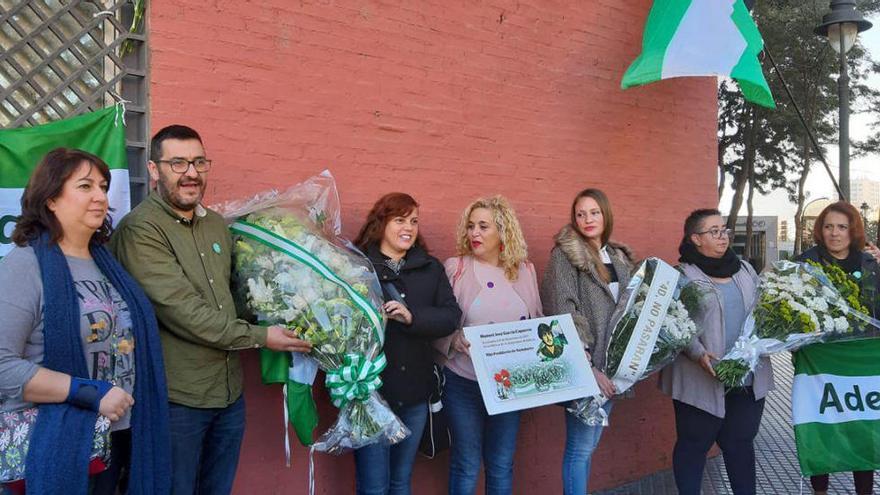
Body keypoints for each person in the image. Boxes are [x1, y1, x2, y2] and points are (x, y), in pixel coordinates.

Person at [109, 125, 311, 495]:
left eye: (199, 162)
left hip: (228, 393)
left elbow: (234, 300)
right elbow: (184, 313)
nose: (191, 173)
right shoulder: (141, 230)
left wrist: (298, 306)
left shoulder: (216, 226)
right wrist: (262, 336)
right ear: (154, 170)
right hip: (177, 399)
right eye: (178, 163)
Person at [0, 148, 170, 495]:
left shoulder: (107, 264)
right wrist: (92, 393)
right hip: (51, 441)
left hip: (118, 437)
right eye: (85, 186)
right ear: (50, 199)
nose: (100, 196)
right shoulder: (25, 265)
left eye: (104, 187)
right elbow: (2, 366)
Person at [351, 192, 461, 495]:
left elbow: (451, 316)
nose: (408, 227)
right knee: (374, 487)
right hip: (371, 395)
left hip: (414, 393)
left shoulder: (430, 268)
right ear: (382, 223)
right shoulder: (358, 266)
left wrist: (413, 318)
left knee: (400, 482)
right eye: (400, 220)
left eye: (414, 221)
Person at [660, 208, 774, 495]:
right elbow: (672, 323)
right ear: (696, 238)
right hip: (698, 380)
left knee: (740, 445)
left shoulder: (745, 270)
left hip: (746, 378)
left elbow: (761, 311)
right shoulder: (682, 276)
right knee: (693, 445)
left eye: (724, 230)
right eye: (714, 231)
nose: (723, 236)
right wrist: (698, 353)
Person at [434, 195, 542, 495]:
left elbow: (538, 321)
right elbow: (438, 320)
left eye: (484, 226)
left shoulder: (526, 271)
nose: (475, 234)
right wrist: (452, 339)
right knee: (466, 464)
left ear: (503, 231)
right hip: (463, 383)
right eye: (471, 226)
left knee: (501, 464)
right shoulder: (456, 268)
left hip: (510, 385)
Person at [540, 188, 635, 495]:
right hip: (587, 368)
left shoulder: (617, 257)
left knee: (590, 445)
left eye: (593, 212)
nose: (587, 219)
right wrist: (588, 368)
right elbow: (561, 312)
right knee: (580, 450)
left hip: (614, 369)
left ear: (605, 214)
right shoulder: (564, 256)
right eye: (580, 214)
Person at [795, 201, 877, 495]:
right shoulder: (804, 264)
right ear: (820, 230)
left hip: (859, 364)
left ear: (852, 230)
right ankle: (820, 491)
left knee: (860, 426)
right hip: (818, 362)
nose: (835, 233)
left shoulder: (868, 263)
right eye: (828, 226)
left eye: (842, 227)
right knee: (821, 426)